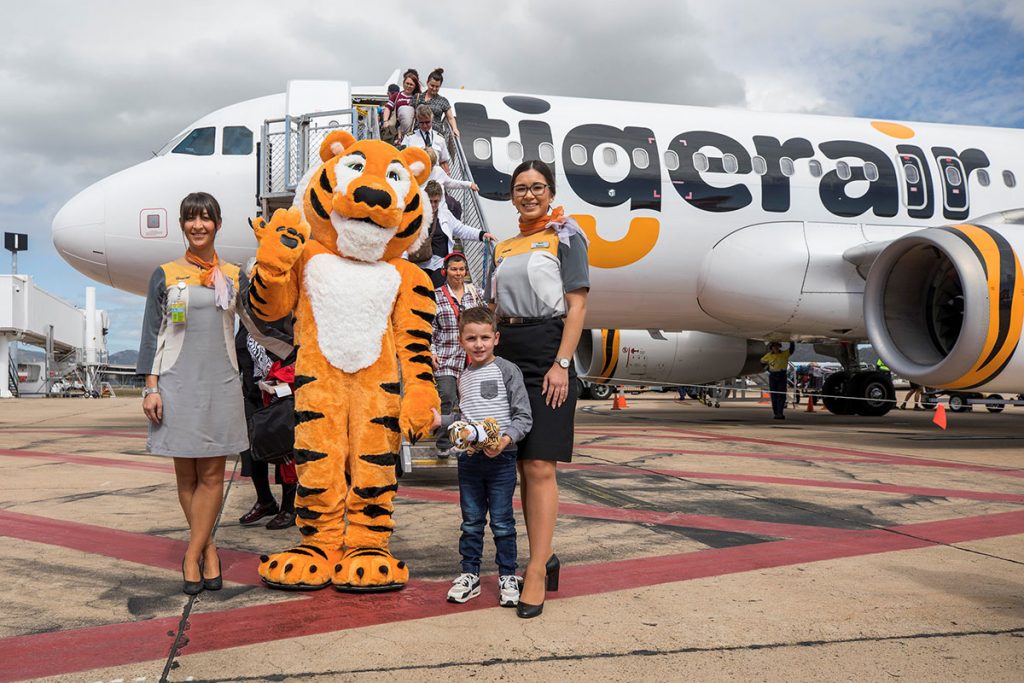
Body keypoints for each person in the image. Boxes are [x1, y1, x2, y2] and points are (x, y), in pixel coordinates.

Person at [490, 159, 590, 619]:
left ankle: (534, 570)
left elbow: (577, 306)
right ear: (512, 195)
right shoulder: (504, 246)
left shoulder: (567, 235)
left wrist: (562, 365)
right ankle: (543, 555)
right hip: (508, 352)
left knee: (540, 466)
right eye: (520, 188)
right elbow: (496, 308)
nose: (529, 194)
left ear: (550, 192)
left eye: (537, 187)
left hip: (549, 351)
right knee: (517, 467)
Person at [137, 192, 248, 595]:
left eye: (205, 218)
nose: (197, 226)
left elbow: (259, 323)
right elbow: (151, 335)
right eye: (190, 219)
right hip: (176, 382)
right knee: (186, 475)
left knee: (213, 474)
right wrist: (150, 389)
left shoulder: (235, 274)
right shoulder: (165, 274)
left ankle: (192, 554)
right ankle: (208, 549)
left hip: (220, 382)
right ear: (182, 224)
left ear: (218, 223)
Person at [432, 306, 532, 606]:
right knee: (471, 521)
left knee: (502, 522)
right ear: (461, 341)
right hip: (469, 460)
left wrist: (505, 440)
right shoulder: (463, 376)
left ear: (496, 338)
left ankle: (507, 576)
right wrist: (443, 422)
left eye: (485, 337)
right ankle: (470, 575)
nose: (479, 344)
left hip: (501, 458)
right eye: (472, 338)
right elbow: (464, 417)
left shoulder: (507, 370)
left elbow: (523, 417)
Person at [235, 326, 298, 530]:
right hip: (253, 394)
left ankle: (289, 507)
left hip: (281, 392)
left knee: (284, 450)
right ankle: (265, 500)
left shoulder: (281, 318)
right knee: (251, 448)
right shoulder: (244, 324)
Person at [432, 252, 486, 457]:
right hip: (446, 356)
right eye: (454, 269)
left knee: (472, 399)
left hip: (472, 357)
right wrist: (431, 352)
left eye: (462, 269)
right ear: (445, 271)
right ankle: (444, 442)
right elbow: (429, 327)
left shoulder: (475, 293)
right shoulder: (436, 295)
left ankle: (471, 440)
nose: (458, 273)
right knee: (447, 396)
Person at [419, 180, 496, 288]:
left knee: (438, 296)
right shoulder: (415, 214)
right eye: (429, 201)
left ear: (440, 200)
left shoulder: (445, 215)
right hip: (419, 264)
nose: (432, 205)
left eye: (435, 201)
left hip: (438, 265)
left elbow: (461, 229)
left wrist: (482, 235)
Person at [424, 146, 477, 220]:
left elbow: (450, 183)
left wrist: (469, 184)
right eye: (427, 164)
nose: (430, 167)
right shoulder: (416, 173)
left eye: (432, 165)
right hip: (424, 212)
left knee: (455, 205)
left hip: (441, 211)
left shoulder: (438, 171)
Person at [413, 67, 460, 139]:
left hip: (435, 136)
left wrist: (455, 129)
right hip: (418, 135)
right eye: (432, 85)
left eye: (437, 86)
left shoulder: (443, 101)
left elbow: (450, 118)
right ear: (427, 83)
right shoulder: (418, 97)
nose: (434, 88)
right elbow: (410, 115)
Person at [402, 105, 451, 174]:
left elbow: (443, 162)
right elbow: (402, 158)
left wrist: (447, 176)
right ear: (417, 120)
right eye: (421, 123)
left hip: (435, 176)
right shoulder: (409, 137)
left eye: (427, 122)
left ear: (432, 120)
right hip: (416, 176)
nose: (425, 126)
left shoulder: (440, 138)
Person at [382, 69, 420, 143]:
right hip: (398, 130)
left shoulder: (418, 97)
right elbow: (388, 107)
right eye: (407, 83)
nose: (408, 86)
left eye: (411, 84)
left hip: (413, 131)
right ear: (403, 83)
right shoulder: (397, 95)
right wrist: (385, 120)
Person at [761, 341, 795, 420]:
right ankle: (776, 413)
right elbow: (762, 362)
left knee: (781, 395)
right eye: (774, 346)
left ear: (779, 347)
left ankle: (780, 412)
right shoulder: (768, 356)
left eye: (777, 346)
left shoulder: (784, 354)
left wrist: (792, 342)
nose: (775, 348)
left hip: (782, 375)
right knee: (774, 395)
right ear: (771, 348)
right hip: (773, 375)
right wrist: (768, 369)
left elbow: (791, 350)